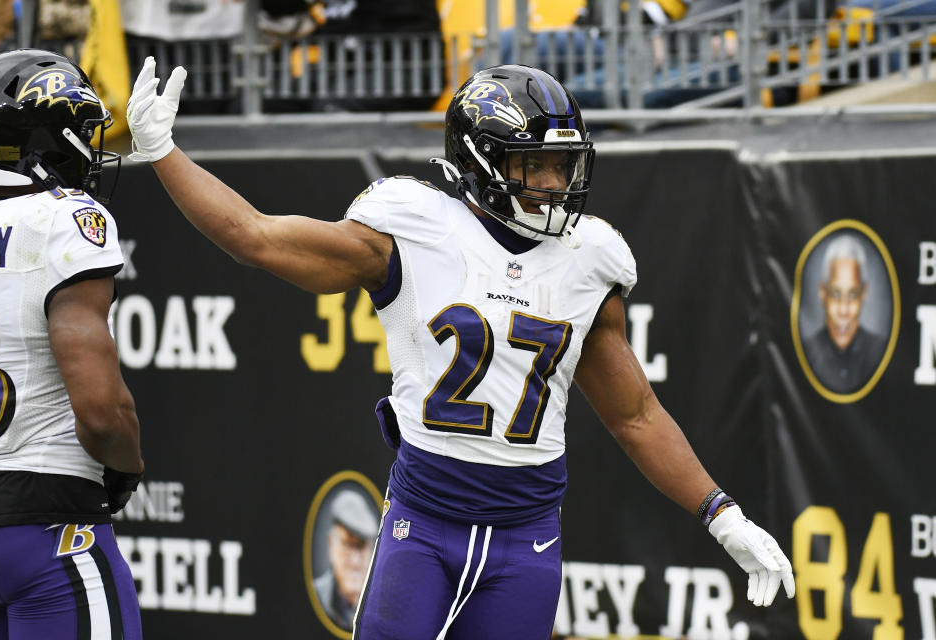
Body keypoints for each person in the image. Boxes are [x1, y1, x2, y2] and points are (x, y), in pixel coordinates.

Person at [127, 58, 795, 639]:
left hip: (526, 539)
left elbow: (635, 414)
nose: (553, 185)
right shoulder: (412, 229)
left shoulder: (590, 259)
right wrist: (164, 152)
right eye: (533, 166)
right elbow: (257, 236)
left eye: (562, 165)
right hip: (424, 525)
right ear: (481, 162)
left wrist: (721, 513)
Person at [0, 49, 144, 639]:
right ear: (46, 137)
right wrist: (127, 465)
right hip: (51, 525)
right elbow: (101, 413)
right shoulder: (62, 218)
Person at [803, 233, 887, 394]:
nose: (843, 310)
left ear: (864, 294)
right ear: (822, 293)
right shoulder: (807, 353)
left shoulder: (878, 351)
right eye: (835, 294)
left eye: (852, 295)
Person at [313, 489, 380, 631]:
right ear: (331, 543)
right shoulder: (317, 594)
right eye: (348, 545)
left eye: (361, 548)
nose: (355, 562)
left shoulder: (384, 603)